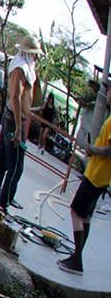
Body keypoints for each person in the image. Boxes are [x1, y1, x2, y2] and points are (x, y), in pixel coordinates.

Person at [0, 38, 43, 215]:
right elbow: (16, 97)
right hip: (15, 120)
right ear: (29, 53)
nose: (37, 59)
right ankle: (2, 204)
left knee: (1, 158)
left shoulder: (24, 66)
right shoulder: (20, 68)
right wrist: (18, 127)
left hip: (15, 118)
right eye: (35, 55)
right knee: (16, 167)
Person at [57, 97, 111, 273]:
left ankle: (78, 260)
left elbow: (109, 151)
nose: (107, 93)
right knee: (85, 216)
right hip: (99, 175)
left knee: (75, 211)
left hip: (96, 175)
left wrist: (93, 149)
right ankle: (76, 256)